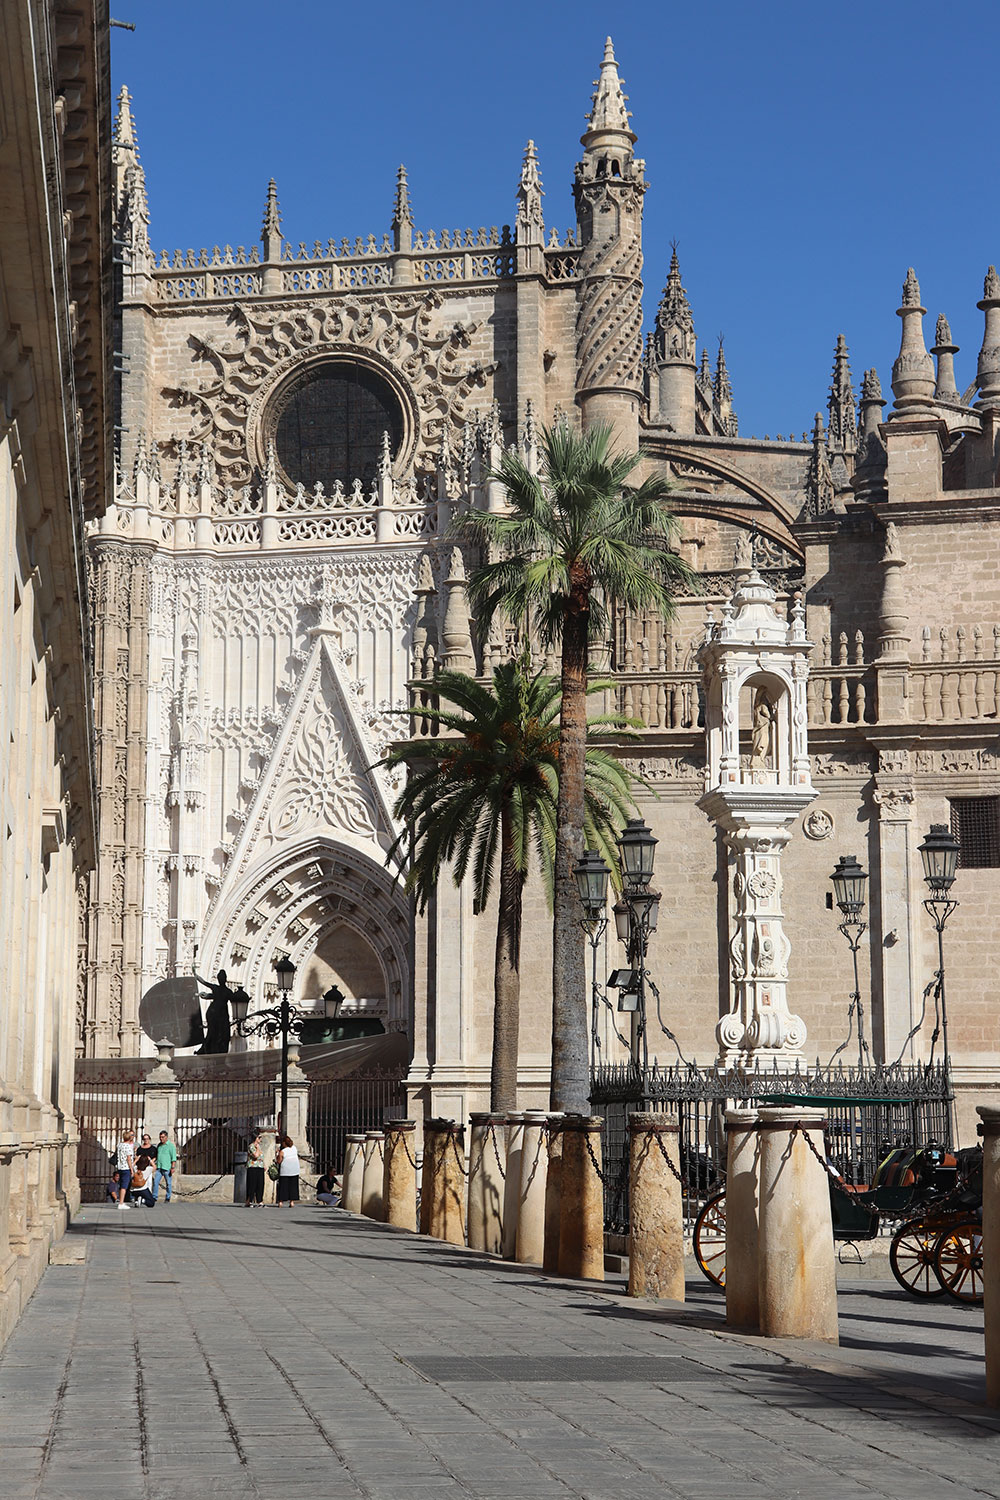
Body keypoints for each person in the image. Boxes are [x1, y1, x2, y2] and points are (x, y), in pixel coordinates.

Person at [152, 1130, 178, 1203]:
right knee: (156, 1182)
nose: (161, 1139)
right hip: (159, 1167)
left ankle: (168, 1197)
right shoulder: (159, 1145)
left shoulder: (170, 1146)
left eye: (163, 1137)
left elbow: (173, 1157)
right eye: (160, 1137)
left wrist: (172, 1167)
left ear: (166, 1137)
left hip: (167, 1167)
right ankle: (154, 1196)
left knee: (168, 1183)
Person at [275, 1134, 299, 1207]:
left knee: (283, 1187)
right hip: (295, 1170)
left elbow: (279, 1161)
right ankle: (292, 1202)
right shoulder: (294, 1148)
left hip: (285, 1171)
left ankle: (281, 1202)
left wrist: (277, 1153)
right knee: (293, 1186)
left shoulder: (283, 1151)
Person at [115, 1129, 135, 1209]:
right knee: (124, 1186)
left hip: (120, 1167)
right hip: (126, 1167)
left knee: (121, 1185)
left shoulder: (120, 1145)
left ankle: (121, 1200)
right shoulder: (128, 1146)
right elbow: (129, 1159)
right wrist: (131, 1169)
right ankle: (121, 1203)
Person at [245, 1128, 265, 1208]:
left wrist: (264, 1165)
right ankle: (250, 1201)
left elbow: (261, 1157)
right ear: (256, 1138)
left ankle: (260, 1201)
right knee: (252, 1184)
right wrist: (257, 1148)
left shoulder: (259, 1146)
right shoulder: (251, 1146)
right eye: (259, 1137)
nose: (260, 1139)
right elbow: (256, 1155)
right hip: (252, 1167)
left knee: (260, 1184)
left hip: (259, 1167)